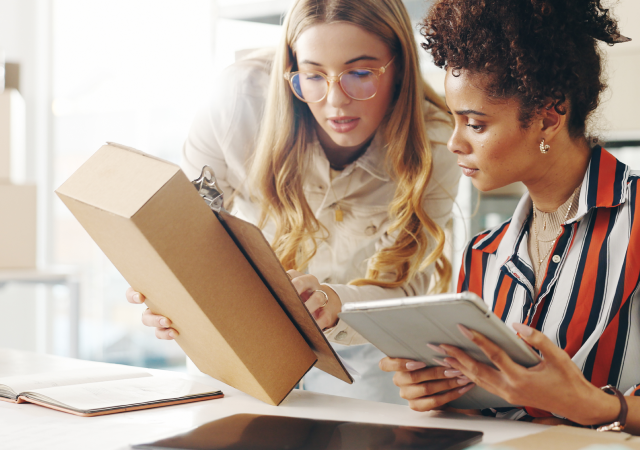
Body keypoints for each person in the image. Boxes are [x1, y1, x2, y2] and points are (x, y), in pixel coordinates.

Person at [380, 0, 640, 434]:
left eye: (475, 124)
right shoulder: (484, 254)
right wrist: (446, 394)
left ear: (549, 117)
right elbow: (494, 416)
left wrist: (596, 406)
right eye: (454, 121)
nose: (453, 143)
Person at [126, 0, 460, 404]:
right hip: (247, 332)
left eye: (359, 74)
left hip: (360, 347)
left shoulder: (438, 144)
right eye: (313, 76)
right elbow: (185, 230)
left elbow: (406, 291)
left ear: (400, 68)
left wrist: (333, 304)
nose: (335, 101)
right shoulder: (238, 100)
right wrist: (169, 291)